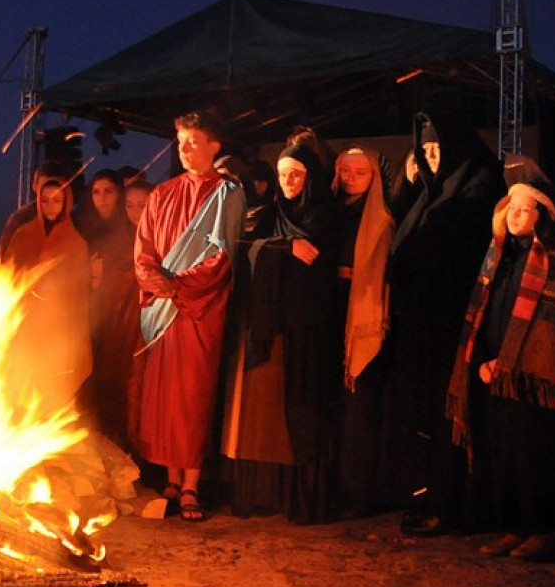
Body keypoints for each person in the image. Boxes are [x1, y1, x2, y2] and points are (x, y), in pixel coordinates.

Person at [383, 111, 507, 535]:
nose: (431, 157)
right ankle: (427, 496)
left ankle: (454, 503)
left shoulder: (476, 184)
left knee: (451, 414)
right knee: (423, 412)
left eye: (436, 148)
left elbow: (457, 251)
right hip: (420, 325)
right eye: (424, 150)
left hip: (455, 326)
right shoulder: (427, 193)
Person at [447, 183, 555, 561]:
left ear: (542, 216)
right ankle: (512, 525)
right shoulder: (499, 258)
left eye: (524, 209)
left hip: (534, 377)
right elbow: (486, 312)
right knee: (502, 451)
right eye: (510, 208)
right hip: (494, 371)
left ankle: (546, 529)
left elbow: (551, 326)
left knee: (534, 454)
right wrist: (486, 360)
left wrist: (509, 364)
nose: (515, 215)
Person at [134, 111, 245, 521]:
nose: (185, 148)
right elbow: (143, 246)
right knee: (163, 395)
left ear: (215, 146)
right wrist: (153, 279)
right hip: (163, 308)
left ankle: (193, 484)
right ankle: (172, 476)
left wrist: (177, 285)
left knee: (192, 395)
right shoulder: (162, 194)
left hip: (199, 309)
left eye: (194, 141)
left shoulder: (227, 195)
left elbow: (222, 256)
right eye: (180, 140)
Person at [220, 143, 337, 523]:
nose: (289, 182)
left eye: (297, 174)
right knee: (258, 418)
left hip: (302, 333)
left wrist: (284, 249)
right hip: (265, 330)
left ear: (310, 177)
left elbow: (319, 268)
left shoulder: (323, 216)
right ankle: (256, 494)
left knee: (297, 416)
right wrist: (287, 246)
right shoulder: (270, 214)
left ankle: (295, 499)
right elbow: (246, 249)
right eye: (284, 174)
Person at [329, 145, 394, 517]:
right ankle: (330, 485)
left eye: (361, 172)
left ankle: (357, 490)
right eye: (347, 171)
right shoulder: (328, 211)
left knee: (358, 408)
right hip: (329, 309)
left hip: (362, 314)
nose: (352, 178)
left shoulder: (382, 219)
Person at [1, 179, 92, 418]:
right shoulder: (22, 235)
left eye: (57, 201)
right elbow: (8, 275)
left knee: (53, 385)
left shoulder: (75, 243)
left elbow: (79, 291)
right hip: (26, 322)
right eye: (45, 200)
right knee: (21, 382)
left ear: (66, 203)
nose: (51, 206)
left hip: (58, 325)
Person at [81, 170, 140, 451]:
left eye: (109, 192)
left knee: (119, 380)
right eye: (96, 192)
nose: (102, 199)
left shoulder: (129, 230)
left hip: (121, 316)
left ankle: (121, 444)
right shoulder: (83, 227)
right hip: (88, 316)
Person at [0, 160, 67, 255]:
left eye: (54, 185)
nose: (49, 190)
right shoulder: (20, 220)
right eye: (43, 185)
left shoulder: (71, 221)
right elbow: (6, 258)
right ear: (34, 186)